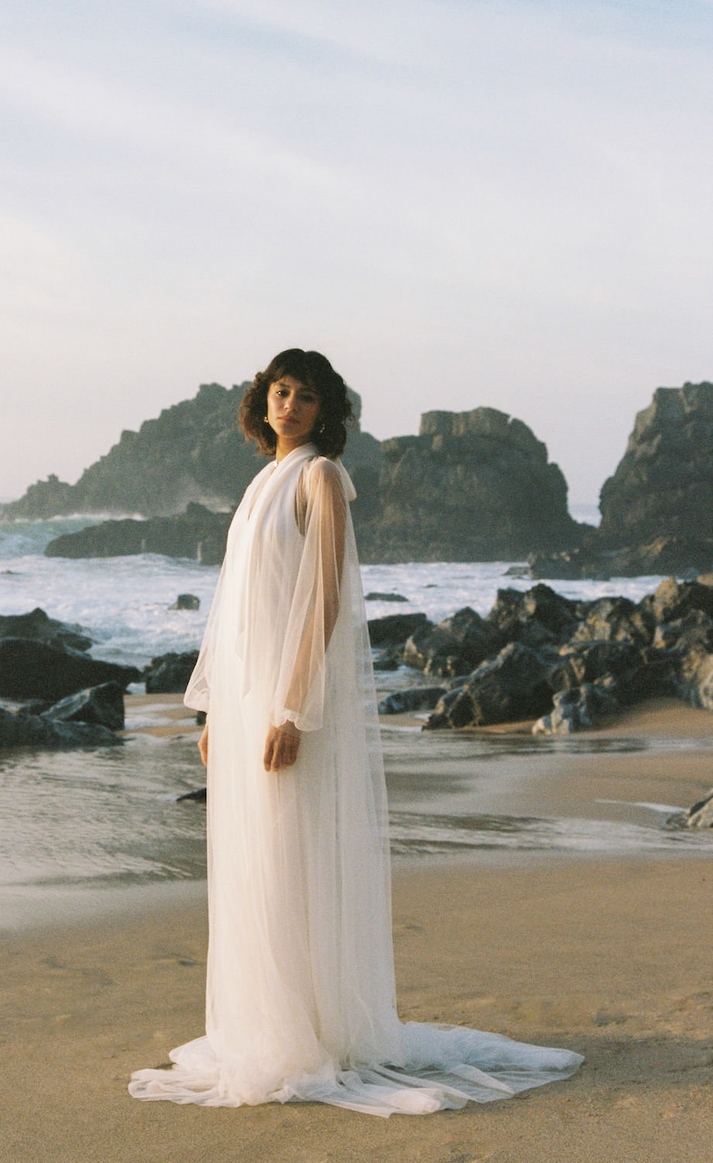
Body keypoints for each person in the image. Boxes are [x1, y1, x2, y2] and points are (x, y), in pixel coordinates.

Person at [128, 349, 582, 1116]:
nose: (291, 404)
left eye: (307, 395)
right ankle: (269, 1022)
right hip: (248, 699)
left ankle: (307, 1033)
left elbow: (324, 598)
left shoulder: (320, 477)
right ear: (261, 399)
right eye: (281, 390)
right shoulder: (259, 483)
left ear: (325, 410)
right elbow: (233, 607)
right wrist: (215, 712)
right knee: (256, 860)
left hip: (289, 697)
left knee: (289, 853)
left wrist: (294, 707)